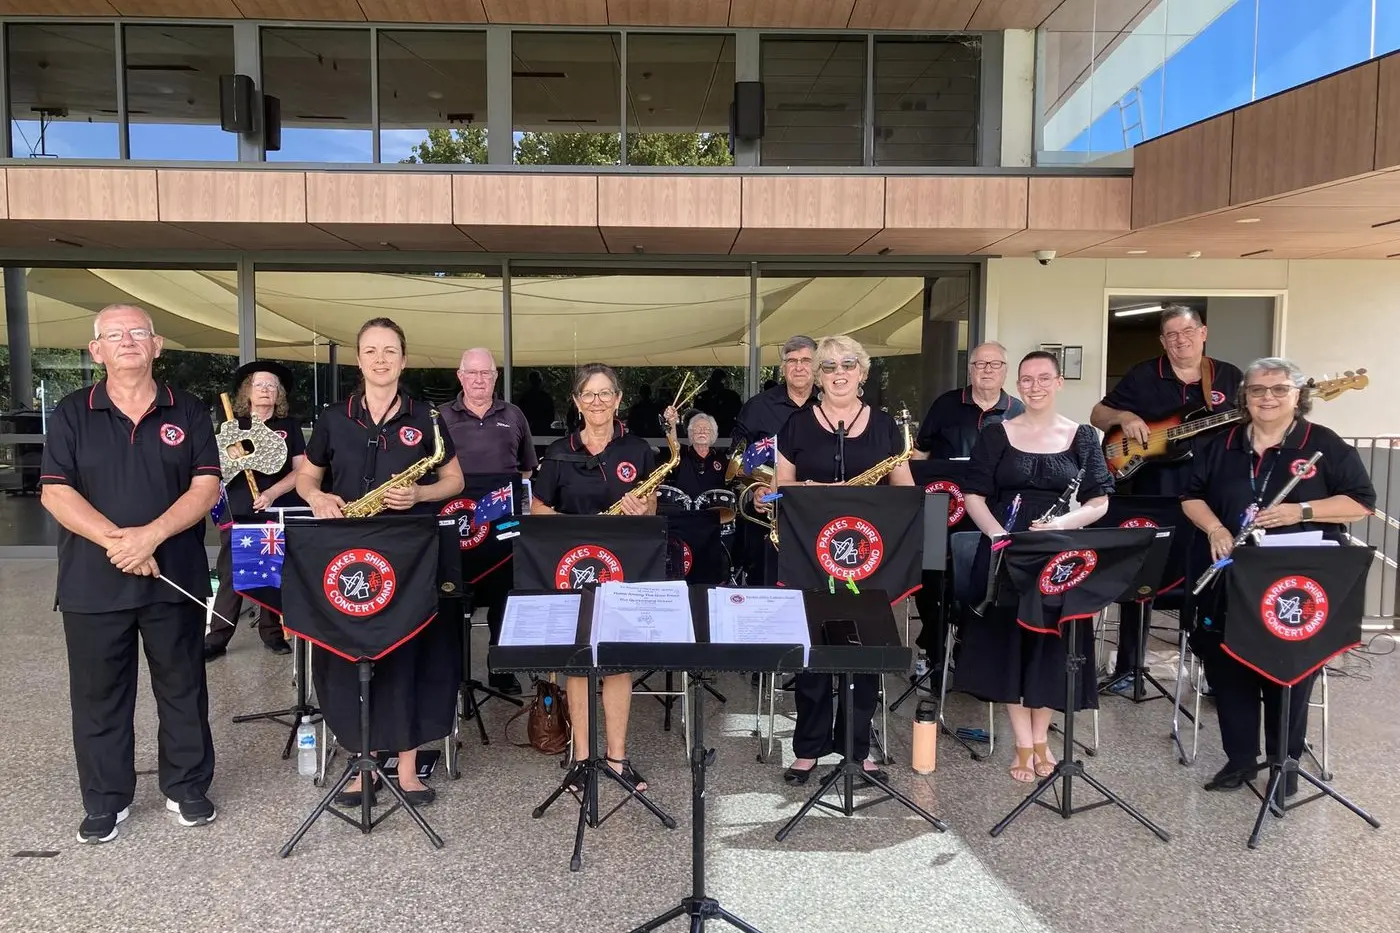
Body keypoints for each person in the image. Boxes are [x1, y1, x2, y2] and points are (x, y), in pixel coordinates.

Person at [41, 303, 223, 843]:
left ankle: (187, 788)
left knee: (183, 687)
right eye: (113, 335)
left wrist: (151, 537)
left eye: (137, 332)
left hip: (174, 577)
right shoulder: (73, 412)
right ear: (96, 350)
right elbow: (55, 490)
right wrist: (119, 544)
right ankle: (105, 800)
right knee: (98, 695)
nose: (127, 341)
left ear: (157, 344)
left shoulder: (187, 409)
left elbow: (206, 488)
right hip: (92, 583)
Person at [1180, 357, 1374, 794]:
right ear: (1244, 396)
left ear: (1298, 396)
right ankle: (1240, 760)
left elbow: (1361, 504)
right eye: (1257, 390)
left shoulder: (1321, 443)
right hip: (1232, 576)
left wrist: (1301, 511)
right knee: (1228, 667)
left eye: (1278, 389)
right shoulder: (1222, 443)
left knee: (1290, 670)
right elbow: (1191, 496)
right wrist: (1215, 527)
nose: (1267, 397)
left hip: (1295, 584)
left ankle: (1284, 763)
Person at [295, 317, 465, 808]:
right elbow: (308, 477)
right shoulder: (333, 416)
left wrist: (420, 493)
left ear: (404, 360)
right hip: (347, 550)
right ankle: (360, 765)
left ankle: (409, 768)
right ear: (359, 359)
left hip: (409, 552)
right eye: (371, 350)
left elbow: (454, 480)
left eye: (390, 351)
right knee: (350, 655)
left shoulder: (426, 416)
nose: (380, 359)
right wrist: (317, 497)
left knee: (409, 653)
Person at [954, 351, 1114, 784]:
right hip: (1007, 552)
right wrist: (997, 537)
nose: (1035, 385)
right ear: (1017, 384)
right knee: (1011, 644)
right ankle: (1022, 744)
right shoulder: (996, 433)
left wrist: (1061, 523)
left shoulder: (1083, 436)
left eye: (1044, 378)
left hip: (1059, 554)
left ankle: (1042, 738)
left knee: (1050, 646)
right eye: (1027, 379)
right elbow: (974, 496)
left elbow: (1100, 501)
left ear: (1059, 382)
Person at [774, 335, 915, 785]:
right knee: (813, 651)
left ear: (863, 372)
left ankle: (857, 746)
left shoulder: (886, 426)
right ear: (818, 375)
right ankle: (809, 747)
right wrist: (822, 494)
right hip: (811, 555)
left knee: (865, 649)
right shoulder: (795, 425)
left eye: (848, 364)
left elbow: (906, 490)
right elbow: (782, 487)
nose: (839, 372)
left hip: (867, 555)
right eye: (829, 365)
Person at [531, 363, 672, 793]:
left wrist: (639, 509)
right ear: (576, 402)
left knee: (616, 665)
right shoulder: (558, 452)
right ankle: (581, 758)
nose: (597, 402)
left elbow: (651, 510)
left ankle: (617, 757)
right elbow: (538, 510)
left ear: (618, 399)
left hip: (622, 571)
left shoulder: (638, 450)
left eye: (605, 393)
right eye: (589, 395)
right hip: (572, 570)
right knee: (578, 664)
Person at [1090, 306, 1243, 693]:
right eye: (1172, 334)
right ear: (1162, 341)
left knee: (1211, 580)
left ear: (1203, 332)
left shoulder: (1228, 376)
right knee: (1141, 578)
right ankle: (1128, 667)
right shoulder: (1146, 373)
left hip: (1210, 499)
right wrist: (1125, 418)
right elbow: (1097, 413)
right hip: (1152, 493)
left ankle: (1212, 670)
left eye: (1187, 331)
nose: (1181, 339)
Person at [909, 341, 1024, 672]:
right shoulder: (945, 405)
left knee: (983, 580)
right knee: (930, 579)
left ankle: (970, 651)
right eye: (979, 364)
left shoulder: (1017, 411)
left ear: (1005, 370)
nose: (986, 370)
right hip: (940, 512)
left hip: (989, 513)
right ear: (969, 368)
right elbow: (920, 455)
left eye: (994, 364)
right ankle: (932, 650)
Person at [439, 347, 537, 696]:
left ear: (496, 377)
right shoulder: (440, 417)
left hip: (502, 520)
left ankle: (500, 667)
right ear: (460, 375)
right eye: (472, 373)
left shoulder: (513, 415)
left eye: (486, 373)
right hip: (454, 520)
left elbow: (526, 468)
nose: (479, 380)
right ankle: (452, 671)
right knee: (450, 593)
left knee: (505, 592)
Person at [205, 360, 306, 661]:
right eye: (259, 385)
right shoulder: (231, 426)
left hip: (279, 508)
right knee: (231, 573)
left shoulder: (289, 427)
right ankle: (217, 636)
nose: (265, 390)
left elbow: (302, 471)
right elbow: (219, 467)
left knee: (273, 571)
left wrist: (273, 493)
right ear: (247, 392)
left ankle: (272, 632)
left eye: (271, 386)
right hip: (239, 509)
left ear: (279, 394)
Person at [731, 336, 817, 585]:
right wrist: (756, 489)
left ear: (817, 365)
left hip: (817, 508)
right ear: (783, 368)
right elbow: (738, 459)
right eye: (791, 361)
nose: (798, 367)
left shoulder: (830, 404)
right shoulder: (757, 407)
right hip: (771, 511)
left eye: (805, 360)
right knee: (767, 587)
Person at [670, 412, 728, 500]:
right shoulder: (682, 452)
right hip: (684, 510)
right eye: (697, 428)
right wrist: (672, 423)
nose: (702, 431)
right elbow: (673, 443)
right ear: (691, 433)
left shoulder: (721, 458)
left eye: (707, 429)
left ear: (713, 434)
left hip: (714, 510)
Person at [696, 368, 742, 439]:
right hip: (710, 433)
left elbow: (738, 414)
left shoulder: (732, 396)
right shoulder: (702, 397)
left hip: (724, 433)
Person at [517, 370, 557, 438]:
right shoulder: (544, 397)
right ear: (540, 381)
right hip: (539, 431)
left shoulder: (525, 397)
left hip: (536, 430)